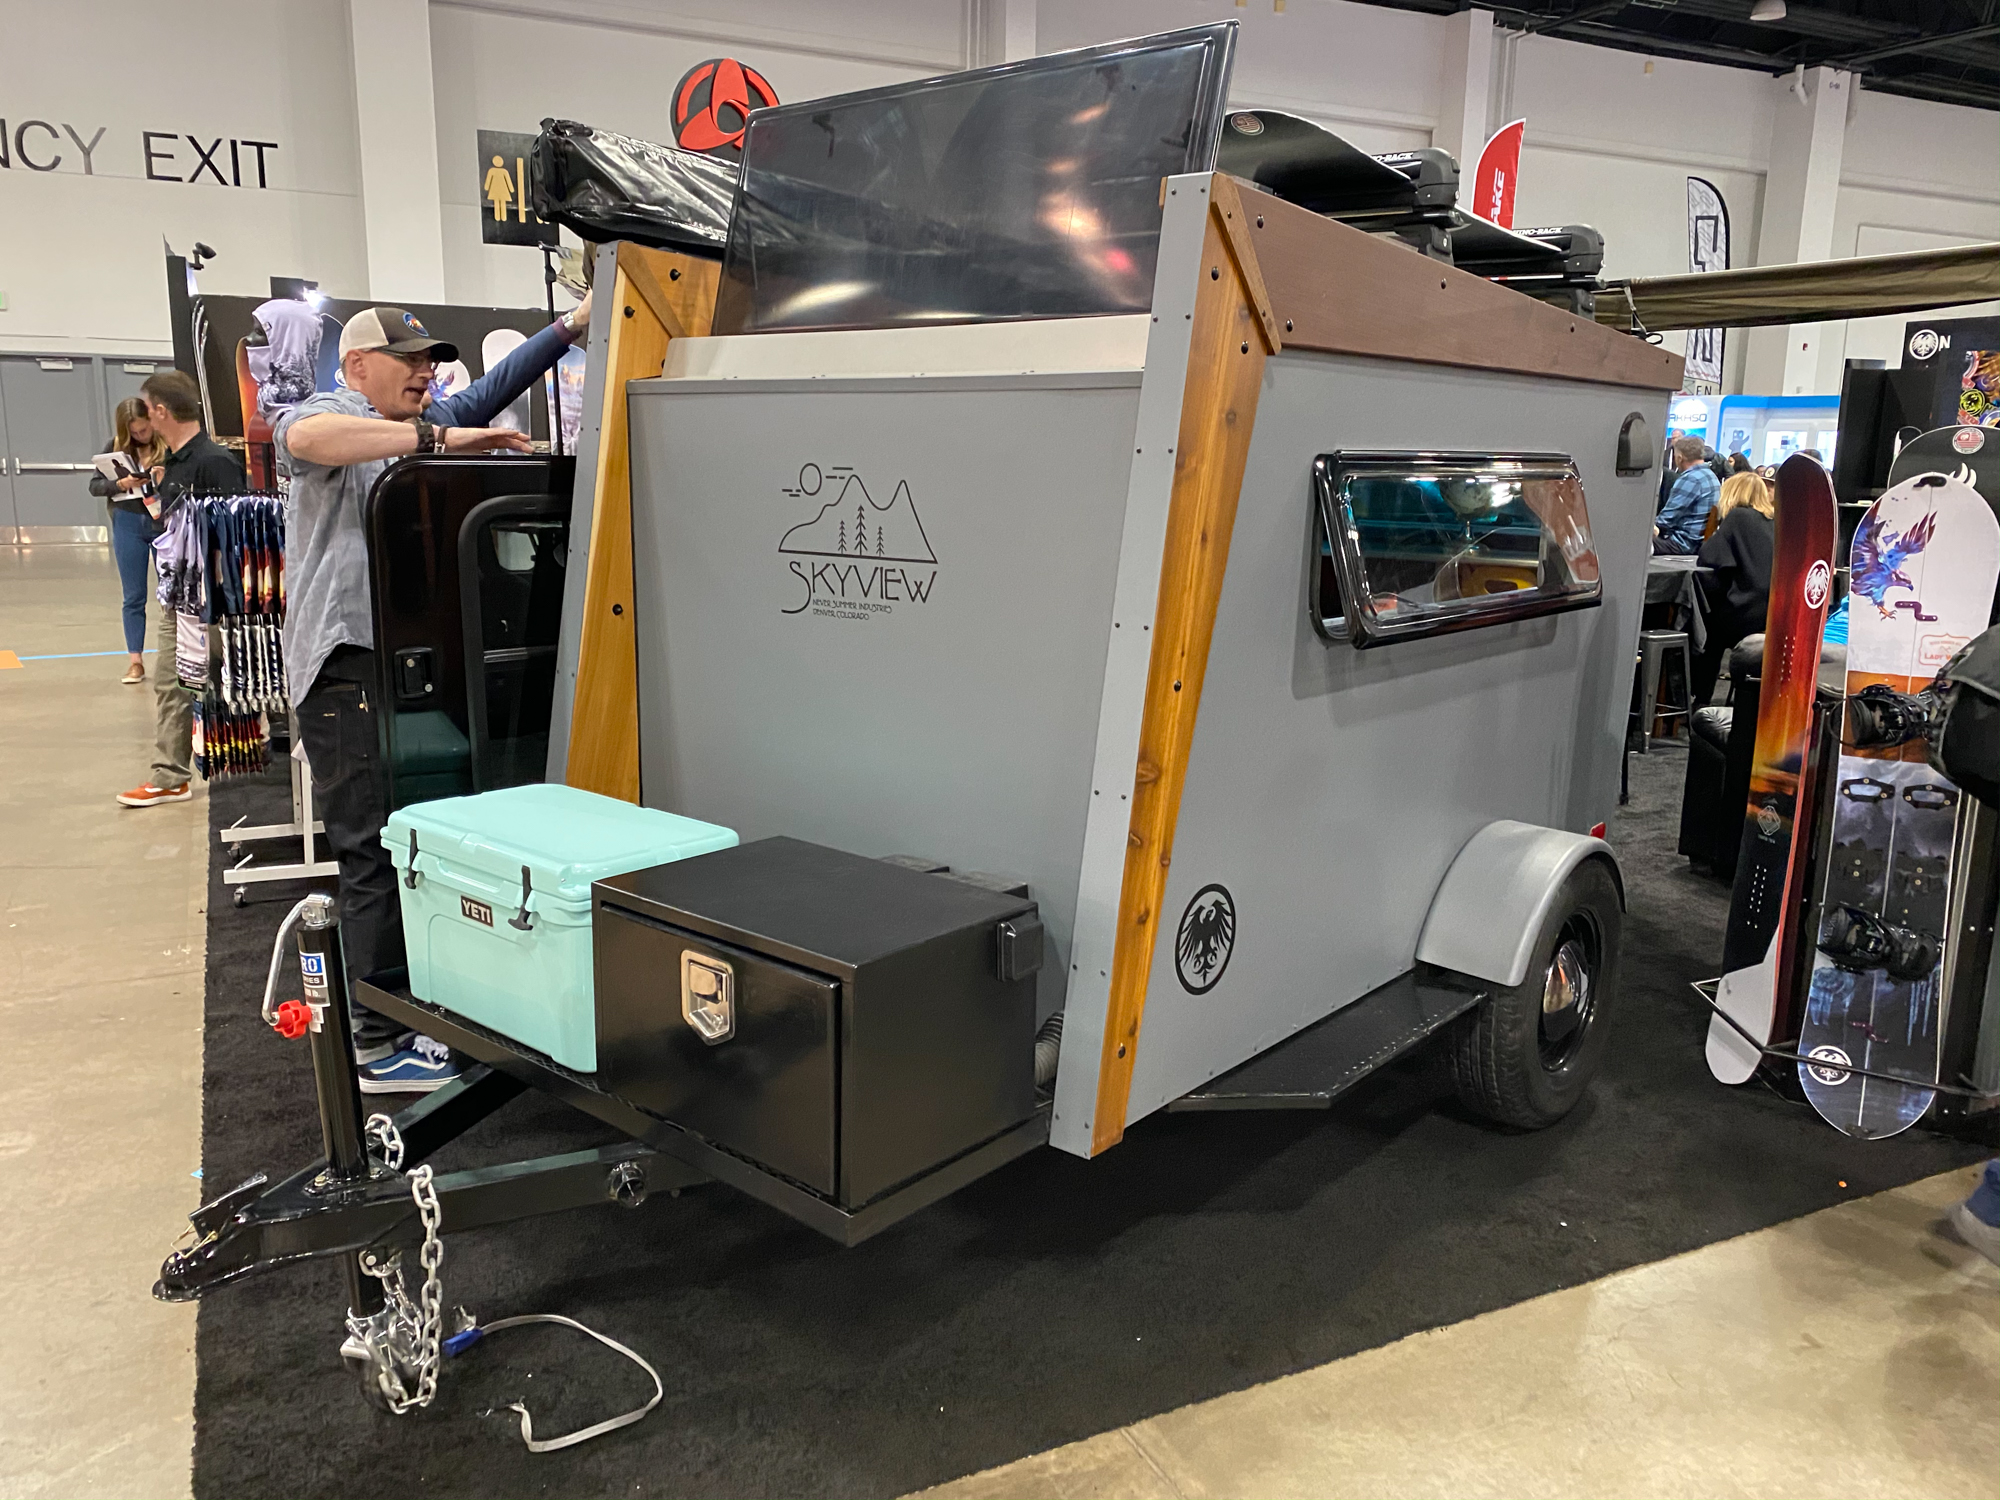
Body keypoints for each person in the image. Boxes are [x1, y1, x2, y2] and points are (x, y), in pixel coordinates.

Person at [274, 296, 591, 1094]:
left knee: (416, 842)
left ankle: (422, 1002)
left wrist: (569, 329)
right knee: (370, 853)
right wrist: (438, 439)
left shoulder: (413, 421)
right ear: (356, 366)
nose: (425, 373)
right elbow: (306, 441)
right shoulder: (328, 417)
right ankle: (375, 1042)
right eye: (408, 360)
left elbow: (490, 390)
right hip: (344, 676)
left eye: (429, 361)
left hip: (402, 674)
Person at [117, 371, 248, 808]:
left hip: (210, 601)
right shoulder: (173, 463)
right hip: (178, 596)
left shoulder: (215, 462)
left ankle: (229, 762)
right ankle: (170, 774)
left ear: (160, 411)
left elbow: (234, 535)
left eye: (147, 408)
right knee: (171, 683)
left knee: (223, 683)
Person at [91, 397, 167, 685]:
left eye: (144, 430)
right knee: (133, 595)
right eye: (134, 433)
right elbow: (95, 486)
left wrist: (163, 478)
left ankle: (176, 656)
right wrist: (119, 484)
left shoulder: (167, 445)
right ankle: (136, 661)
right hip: (128, 522)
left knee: (171, 592)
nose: (140, 436)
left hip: (163, 522)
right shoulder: (114, 448)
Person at [1691, 471, 1775, 703]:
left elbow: (1708, 557)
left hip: (1744, 614)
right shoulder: (1775, 521)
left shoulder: (1738, 517)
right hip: (1769, 616)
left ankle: (1699, 699)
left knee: (1702, 628)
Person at [1655, 434, 1722, 555]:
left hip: (1682, 544)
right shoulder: (1712, 477)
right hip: (1699, 543)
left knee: (1634, 541)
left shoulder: (1690, 479)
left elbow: (1666, 520)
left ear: (1679, 458)